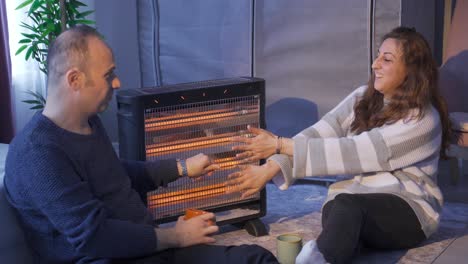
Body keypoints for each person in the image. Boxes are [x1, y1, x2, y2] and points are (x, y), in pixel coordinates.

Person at [3, 25, 278, 264]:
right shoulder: (38, 153)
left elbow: (115, 175)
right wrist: (175, 236)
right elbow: (94, 237)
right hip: (107, 259)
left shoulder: (87, 123)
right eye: (108, 75)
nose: (118, 82)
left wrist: (181, 167)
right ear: (75, 80)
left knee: (258, 257)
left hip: (146, 250)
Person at [227, 26, 451, 264]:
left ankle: (315, 259)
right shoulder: (362, 97)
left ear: (411, 71)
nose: (375, 65)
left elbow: (355, 151)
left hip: (408, 211)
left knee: (347, 208)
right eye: (377, 56)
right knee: (339, 209)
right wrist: (270, 167)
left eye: (386, 59)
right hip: (348, 206)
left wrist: (279, 145)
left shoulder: (423, 119)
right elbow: (321, 132)